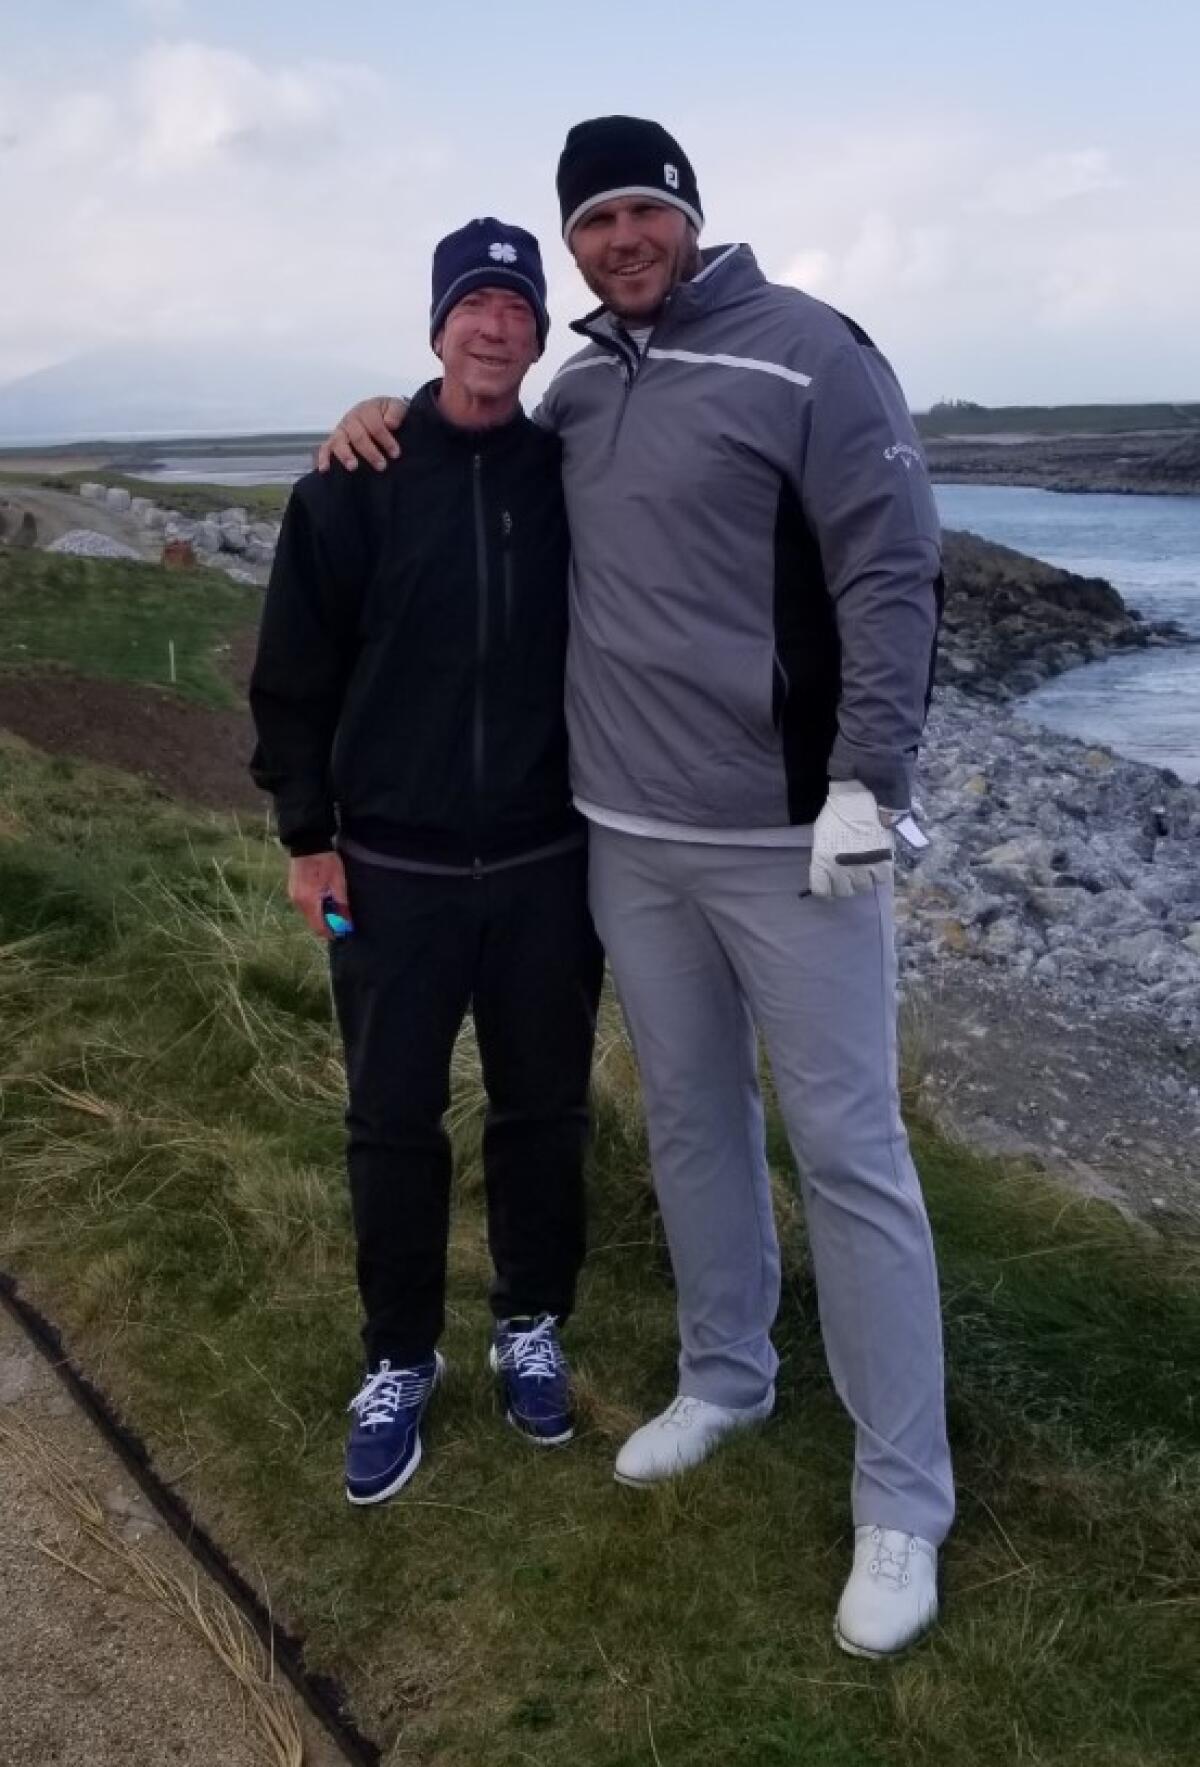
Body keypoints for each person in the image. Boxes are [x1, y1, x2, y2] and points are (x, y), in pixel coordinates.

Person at [321, 117, 953, 1657]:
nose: (619, 240)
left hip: (792, 839)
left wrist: (871, 779)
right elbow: (473, 455)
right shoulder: (580, 387)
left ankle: (902, 1498)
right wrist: (370, 420)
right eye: (591, 220)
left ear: (686, 214)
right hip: (622, 837)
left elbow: (888, 564)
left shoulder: (811, 350)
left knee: (848, 1152)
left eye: (639, 212)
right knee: (688, 1120)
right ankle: (729, 1375)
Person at [249, 218, 603, 1508]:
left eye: (518, 306)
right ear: (438, 324)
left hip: (547, 862)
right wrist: (308, 841)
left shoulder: (569, 472)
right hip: (383, 875)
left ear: (540, 330)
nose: (497, 328)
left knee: (544, 1110)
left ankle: (530, 1325)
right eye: (475, 306)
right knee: (391, 1119)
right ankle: (399, 1357)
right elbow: (293, 676)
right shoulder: (353, 479)